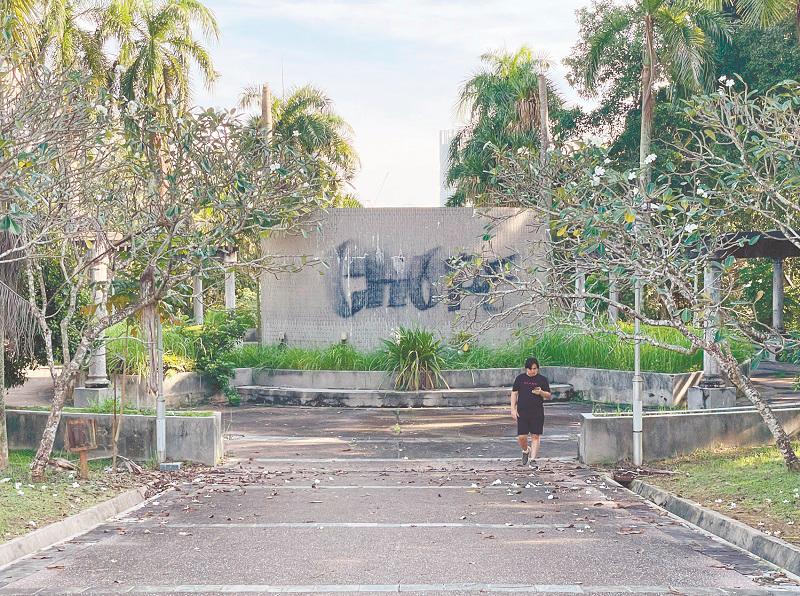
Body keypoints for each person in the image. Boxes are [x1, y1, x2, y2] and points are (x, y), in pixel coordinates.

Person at [511, 357, 552, 466]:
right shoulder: (520, 378)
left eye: (534, 369)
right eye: (530, 369)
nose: (532, 371)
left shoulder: (542, 379)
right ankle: (525, 450)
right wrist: (512, 409)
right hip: (522, 412)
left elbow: (549, 395)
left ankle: (533, 459)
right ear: (526, 369)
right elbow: (514, 393)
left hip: (537, 412)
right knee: (521, 436)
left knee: (535, 436)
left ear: (537, 368)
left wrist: (541, 393)